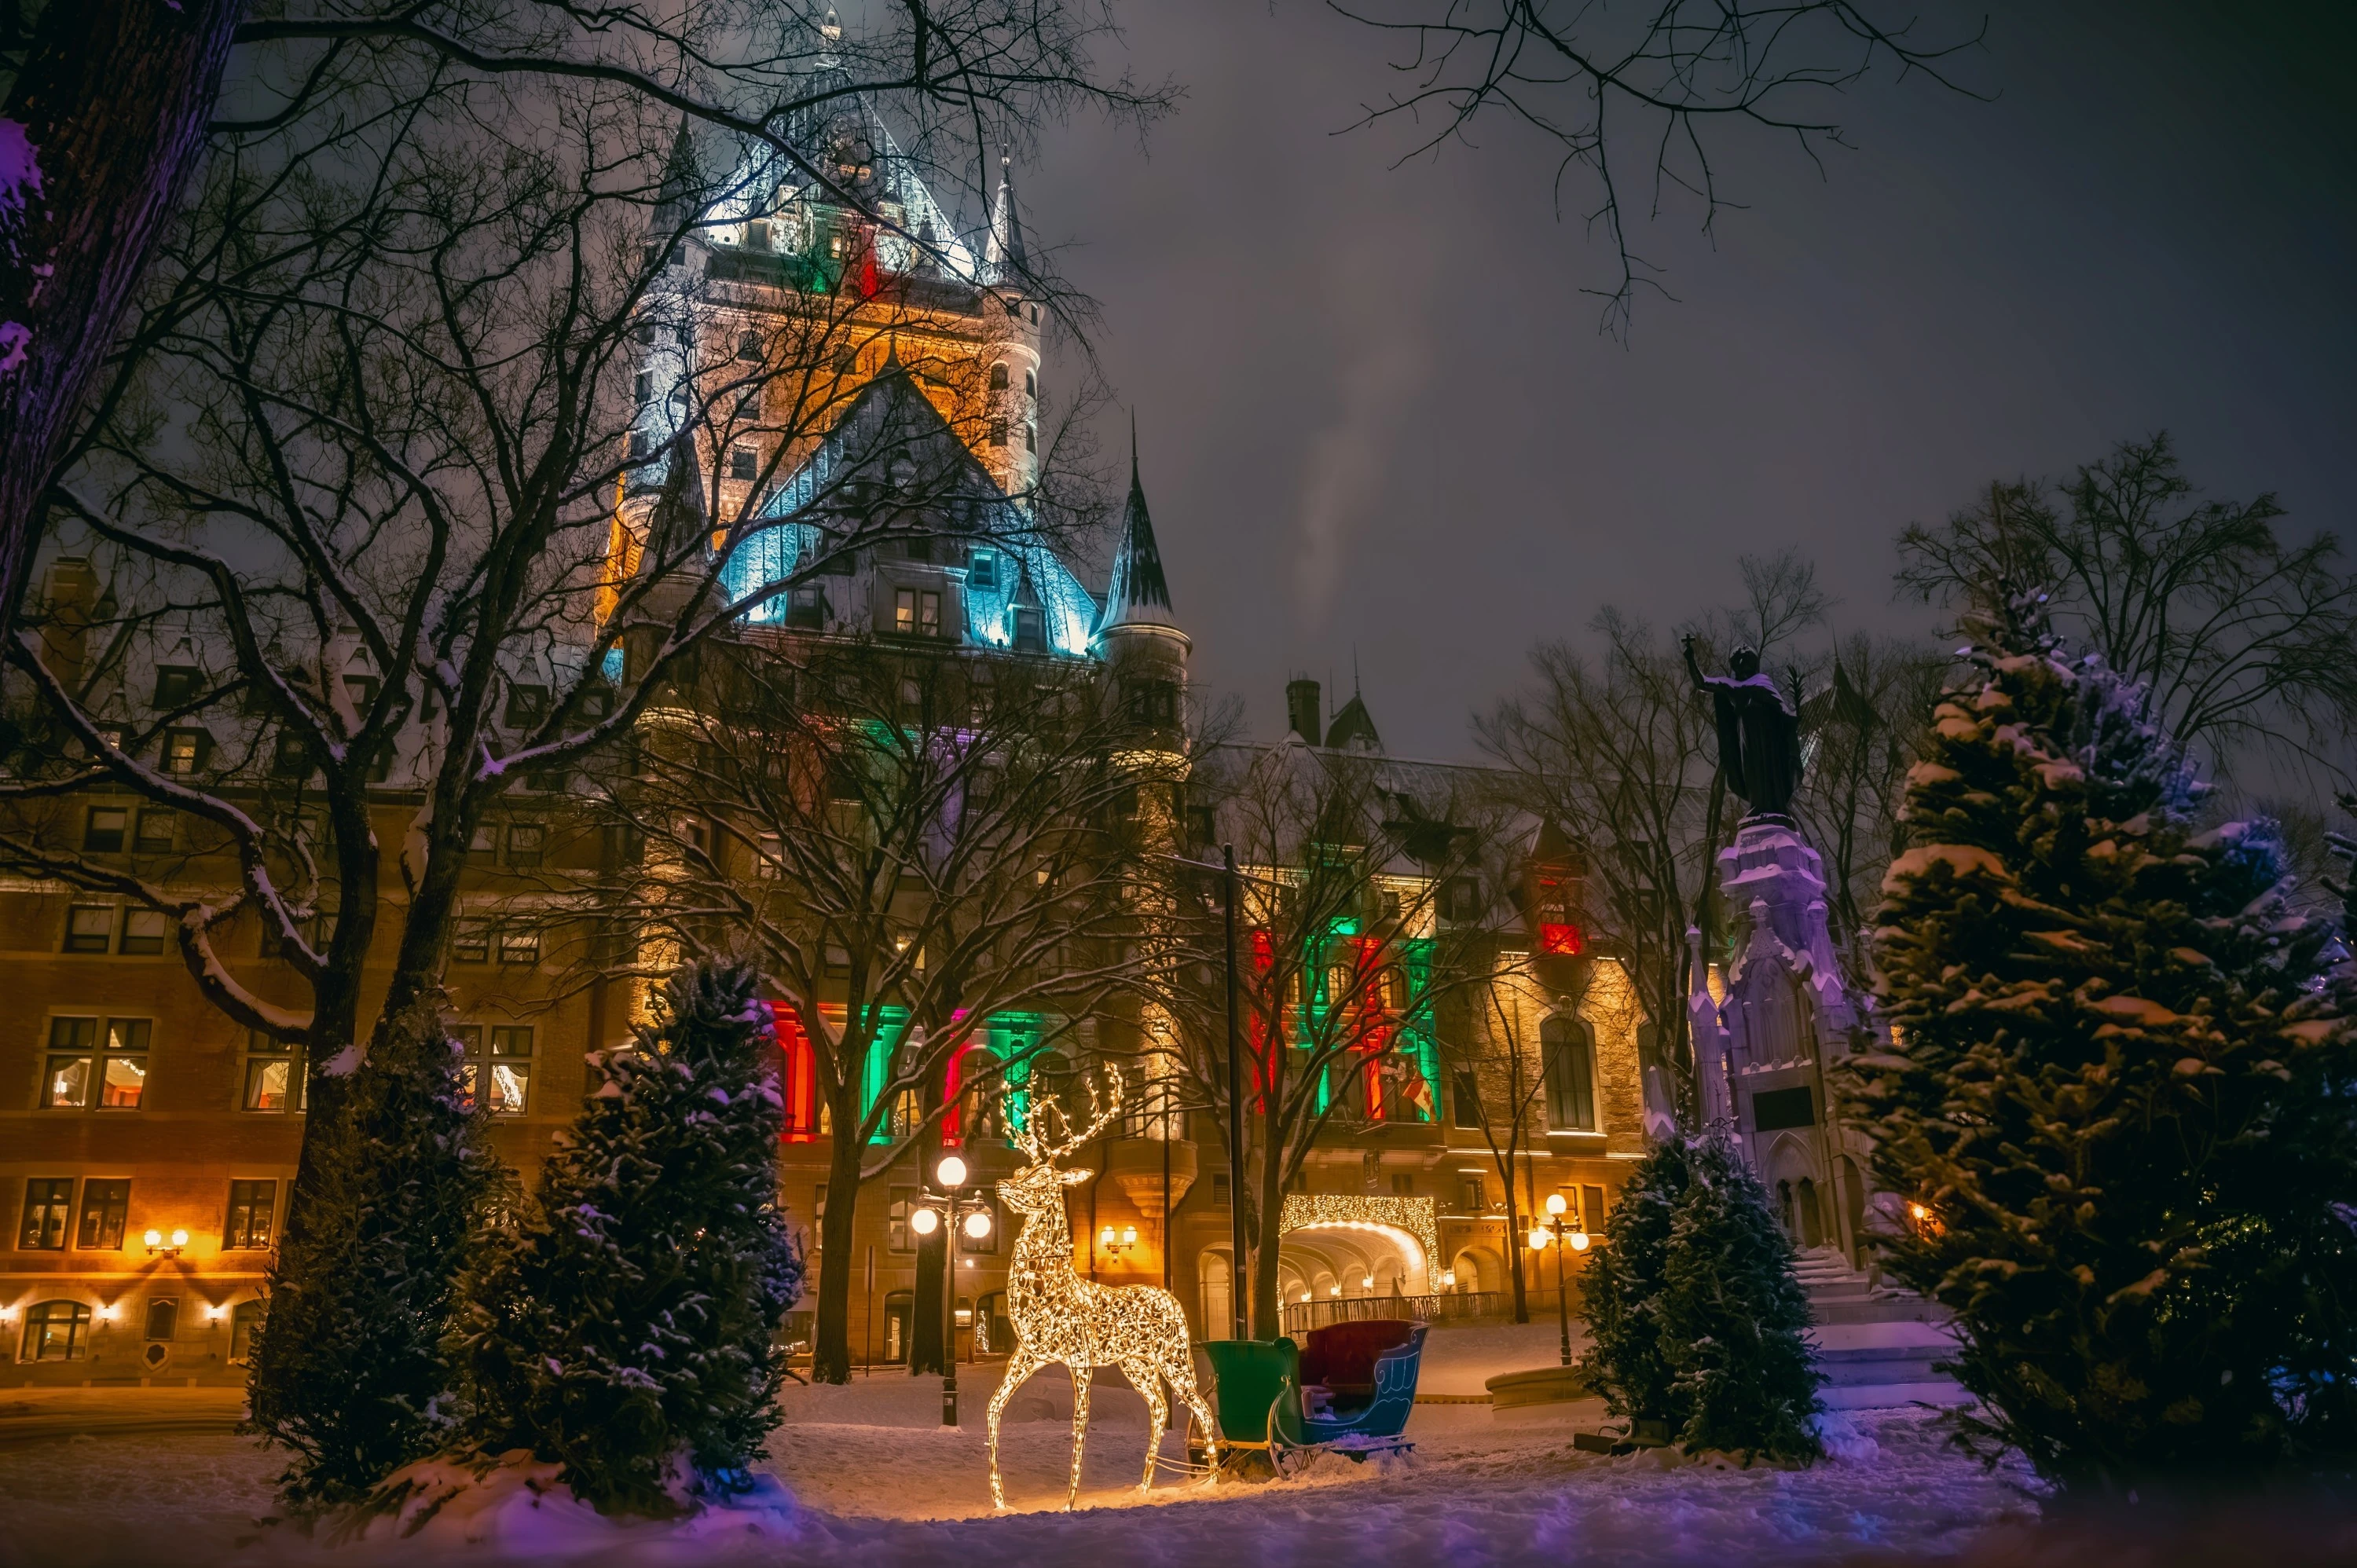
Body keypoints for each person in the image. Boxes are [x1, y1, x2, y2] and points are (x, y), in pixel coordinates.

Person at [1681, 636, 1802, 819]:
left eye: (1746, 662)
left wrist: (1796, 713)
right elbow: (1702, 683)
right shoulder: (1732, 686)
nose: (1743, 666)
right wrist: (1690, 659)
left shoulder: (1763, 683)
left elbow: (1784, 713)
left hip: (1769, 738)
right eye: (1740, 663)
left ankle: (1773, 808)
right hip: (1747, 739)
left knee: (1771, 772)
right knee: (1751, 773)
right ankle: (1758, 806)